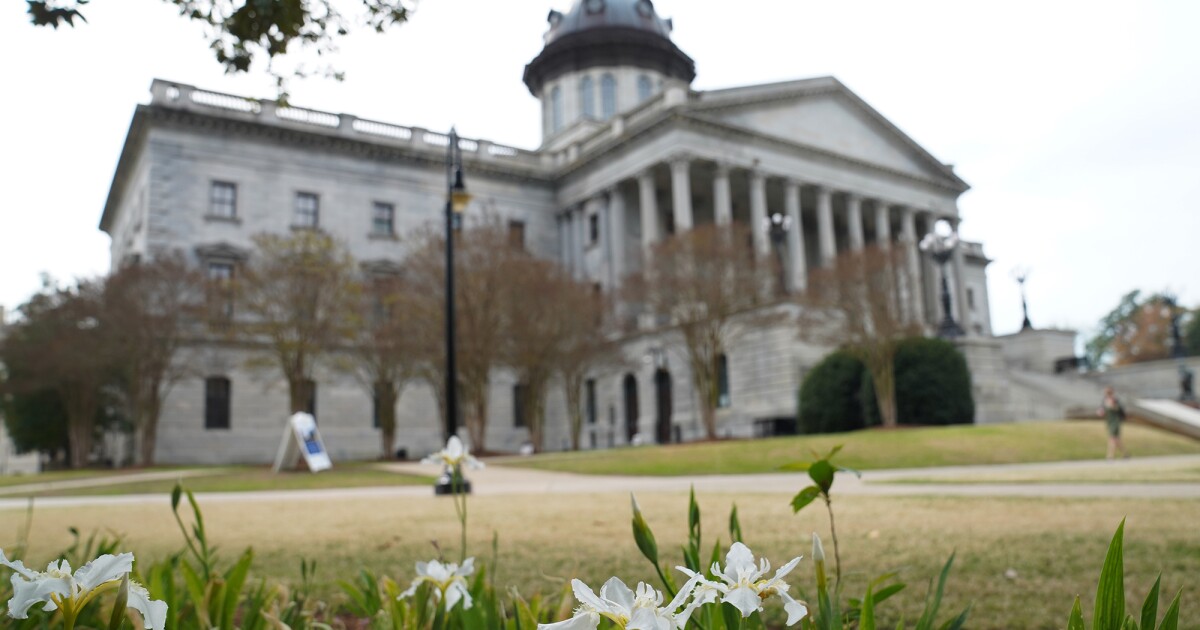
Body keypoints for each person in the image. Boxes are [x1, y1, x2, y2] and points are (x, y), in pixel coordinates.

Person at [1098, 386, 1129, 460]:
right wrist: (1101, 412)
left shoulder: (1115, 400)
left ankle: (1110, 456)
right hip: (1109, 421)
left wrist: (1113, 406)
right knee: (1116, 439)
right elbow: (1102, 410)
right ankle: (1125, 454)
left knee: (1112, 438)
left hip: (1115, 421)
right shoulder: (1104, 401)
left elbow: (1120, 410)